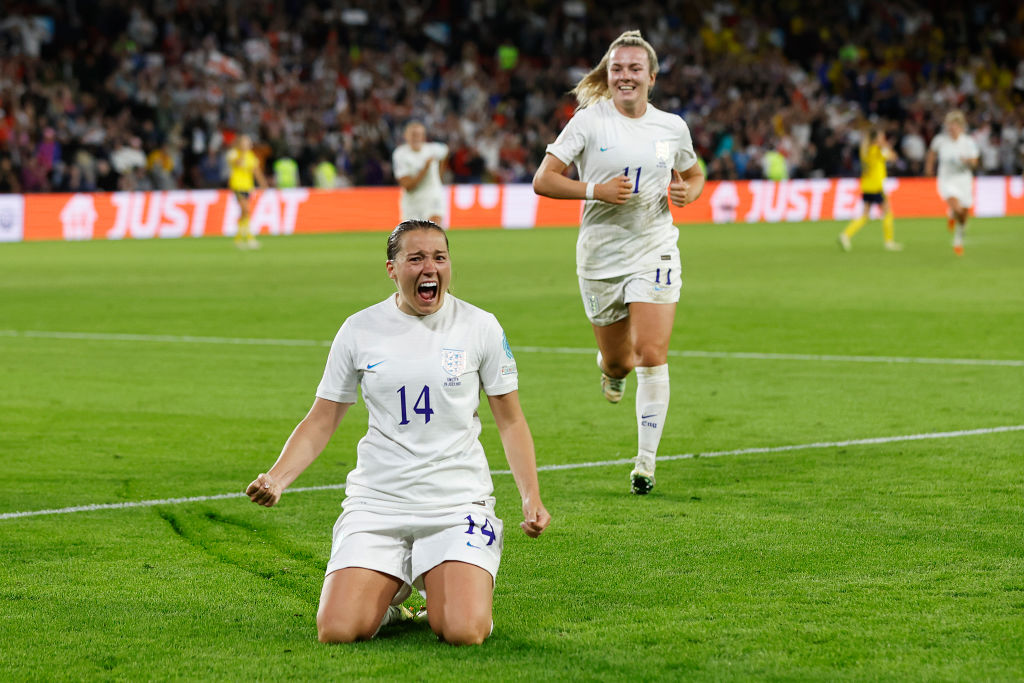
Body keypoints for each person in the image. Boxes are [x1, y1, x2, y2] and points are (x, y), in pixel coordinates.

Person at [245, 220, 550, 645]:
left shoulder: (480, 327)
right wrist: (277, 478)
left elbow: (511, 420)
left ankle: (448, 586)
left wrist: (530, 497)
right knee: (337, 630)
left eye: (439, 258)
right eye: (416, 258)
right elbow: (322, 418)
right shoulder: (359, 329)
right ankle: (393, 599)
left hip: (455, 500)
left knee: (463, 630)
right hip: (378, 502)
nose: (430, 268)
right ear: (392, 268)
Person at [531, 30, 705, 495]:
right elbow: (543, 180)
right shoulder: (589, 121)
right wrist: (596, 190)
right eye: (616, 69)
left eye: (633, 69)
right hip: (601, 255)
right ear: (607, 76)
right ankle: (609, 372)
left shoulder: (671, 126)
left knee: (651, 353)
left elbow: (693, 171)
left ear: (651, 76)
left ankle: (645, 463)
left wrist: (691, 190)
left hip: (656, 245)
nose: (624, 76)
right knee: (621, 361)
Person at [838, 127, 902, 252]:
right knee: (888, 213)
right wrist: (886, 146)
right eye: (881, 137)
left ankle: (845, 235)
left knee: (865, 216)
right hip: (876, 187)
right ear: (876, 139)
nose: (883, 139)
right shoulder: (877, 150)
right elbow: (894, 157)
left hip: (866, 186)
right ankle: (889, 242)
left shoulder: (865, 151)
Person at [925, 110, 979, 256]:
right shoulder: (940, 140)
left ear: (961, 126)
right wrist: (929, 168)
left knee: (964, 214)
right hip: (946, 179)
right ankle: (953, 212)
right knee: (957, 207)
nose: (952, 128)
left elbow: (975, 162)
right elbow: (932, 153)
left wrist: (967, 161)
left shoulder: (968, 142)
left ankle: (958, 236)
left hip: (964, 180)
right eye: (949, 125)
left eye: (955, 125)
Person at [392, 122, 449, 225]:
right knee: (412, 237)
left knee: (433, 231)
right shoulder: (400, 154)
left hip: (433, 196)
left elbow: (445, 152)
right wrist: (425, 169)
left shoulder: (433, 149)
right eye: (413, 134)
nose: (416, 138)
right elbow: (407, 185)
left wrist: (439, 177)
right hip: (412, 201)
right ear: (406, 136)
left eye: (419, 135)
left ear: (424, 137)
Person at [226, 134, 269, 249]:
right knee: (246, 209)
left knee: (245, 212)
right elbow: (238, 163)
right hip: (237, 185)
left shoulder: (251, 156)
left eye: (248, 143)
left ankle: (238, 238)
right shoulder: (234, 154)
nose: (248, 145)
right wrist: (243, 152)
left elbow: (256, 171)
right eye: (246, 142)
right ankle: (249, 238)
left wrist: (263, 183)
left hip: (248, 186)